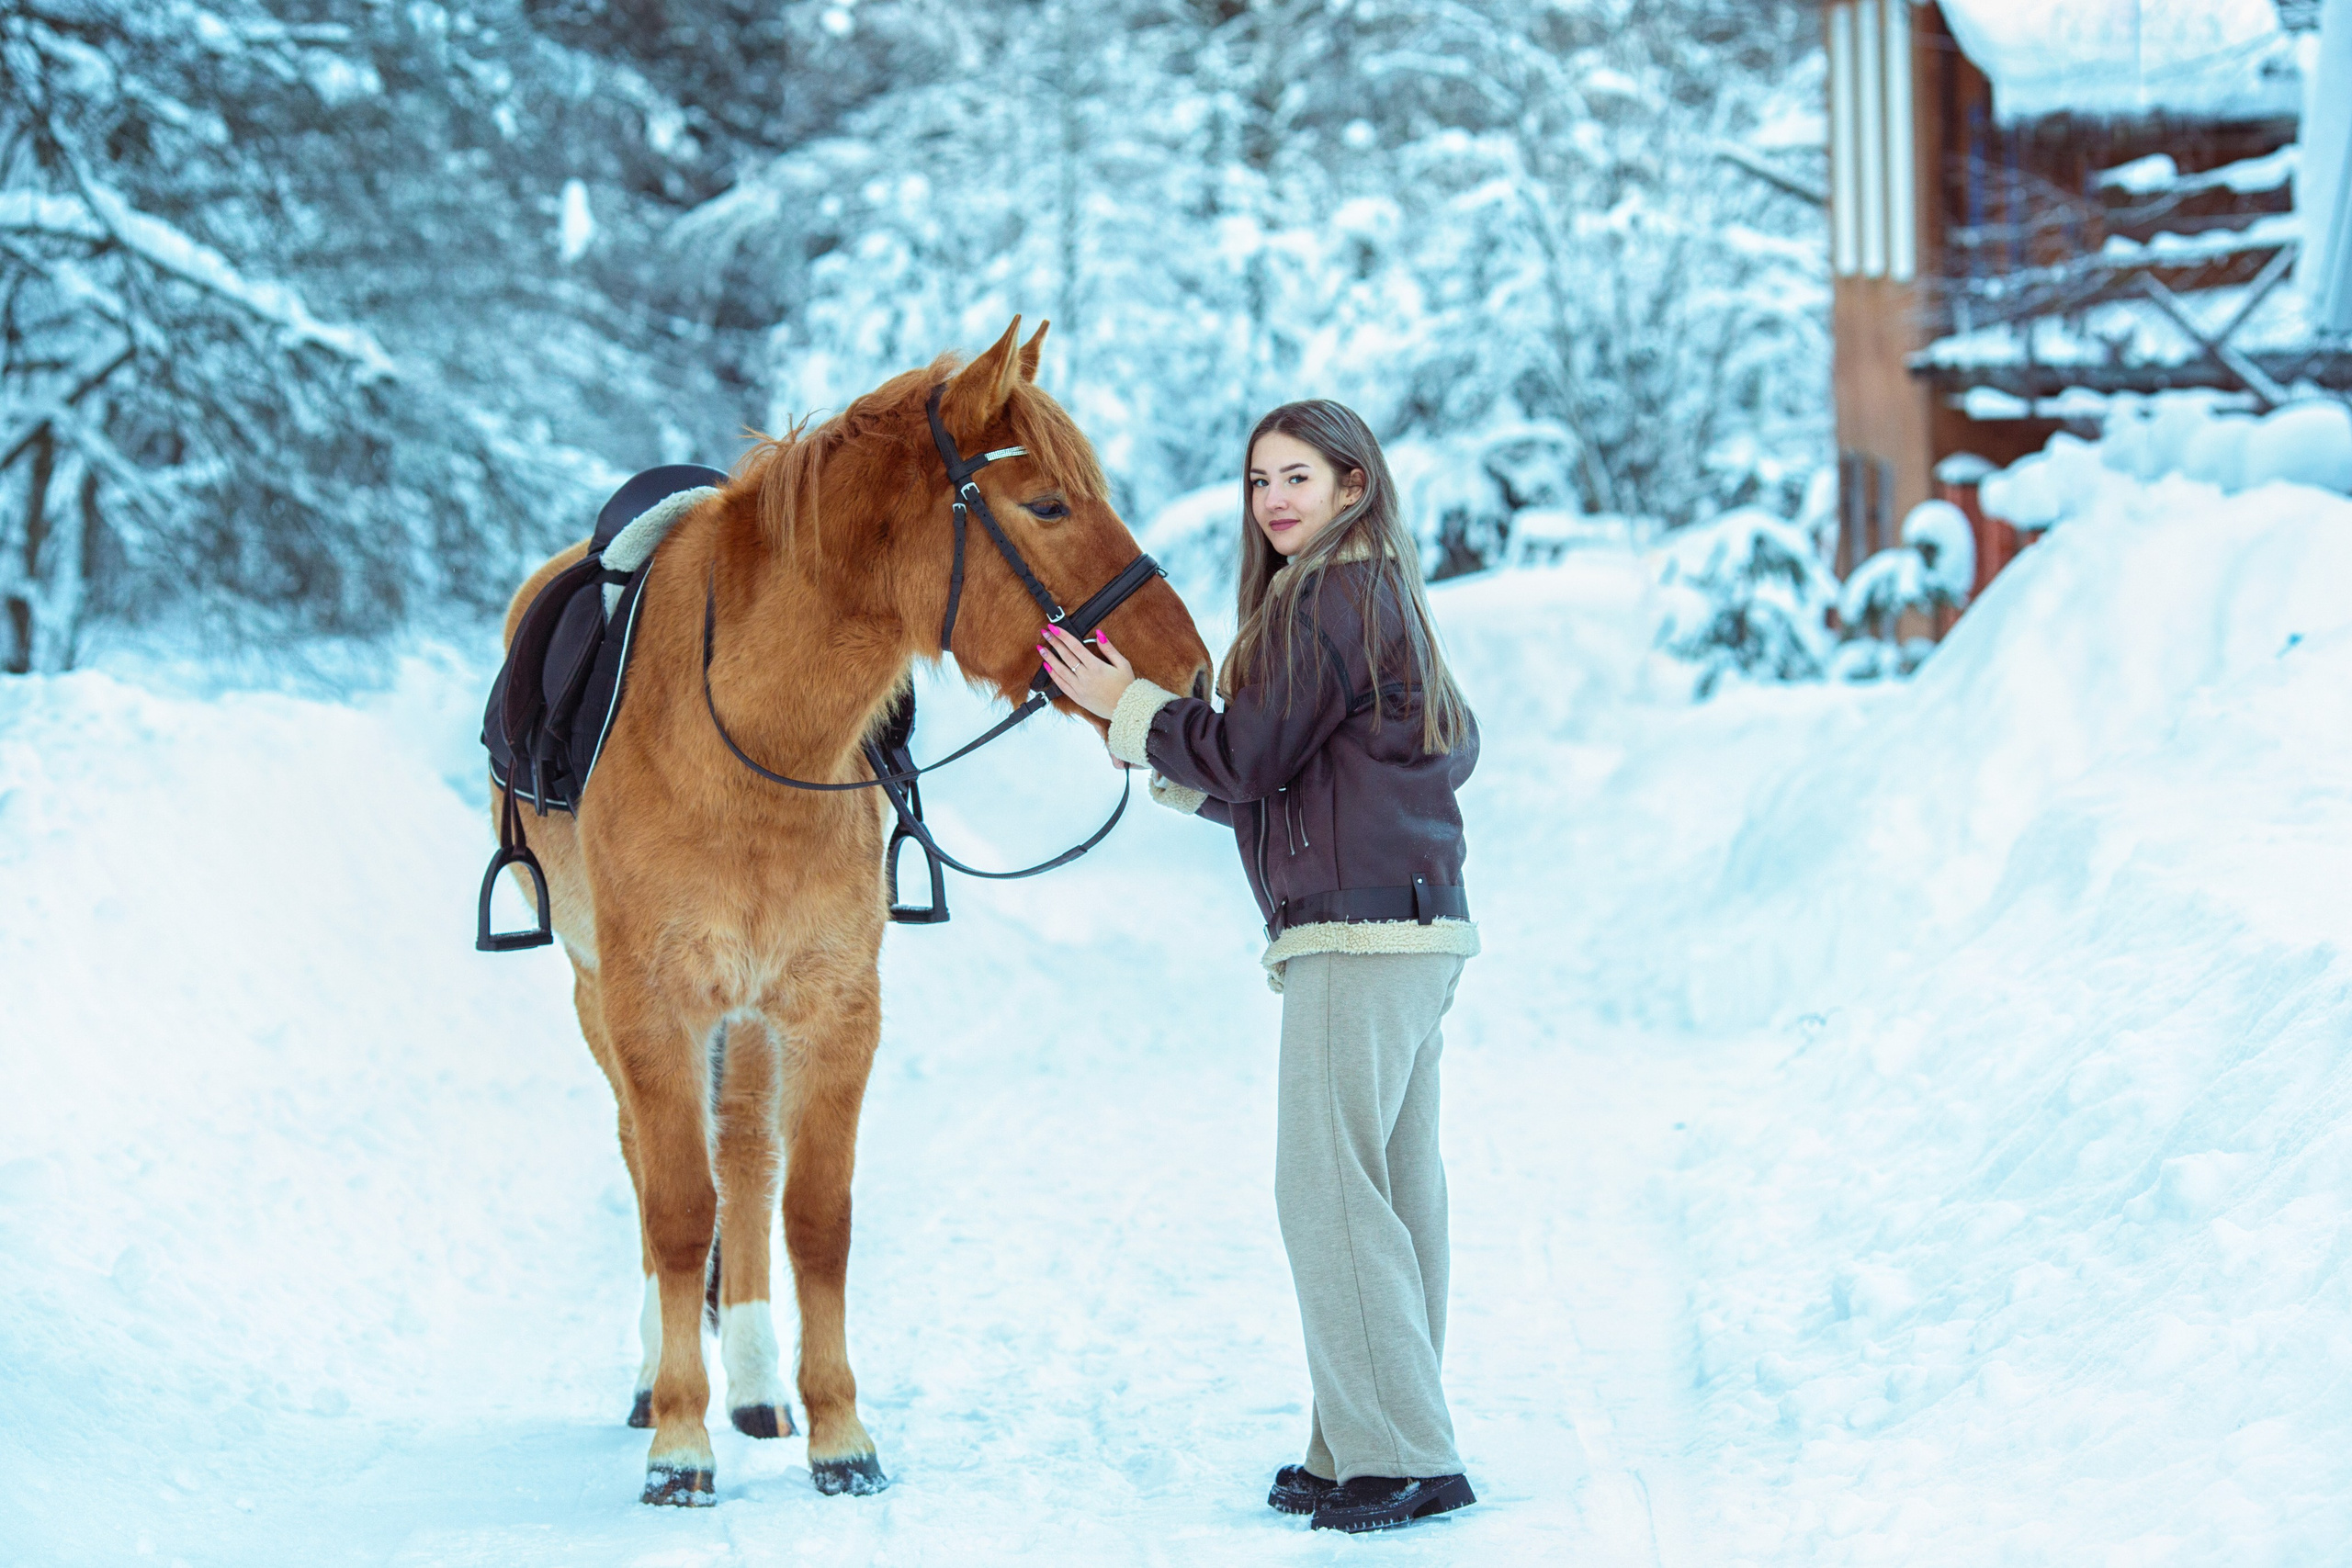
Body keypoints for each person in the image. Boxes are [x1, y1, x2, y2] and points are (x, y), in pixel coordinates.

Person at [1035, 399, 1481, 1534]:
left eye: (1297, 477)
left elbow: (1249, 753)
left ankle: (1399, 1452)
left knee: (1326, 1186)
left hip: (1356, 935)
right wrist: (1161, 741)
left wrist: (1126, 707)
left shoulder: (1327, 599)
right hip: (1413, 926)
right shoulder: (1381, 597)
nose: (1273, 500)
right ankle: (1364, 1443)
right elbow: (1307, 774)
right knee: (1384, 1183)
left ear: (1353, 487)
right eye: (1257, 481)